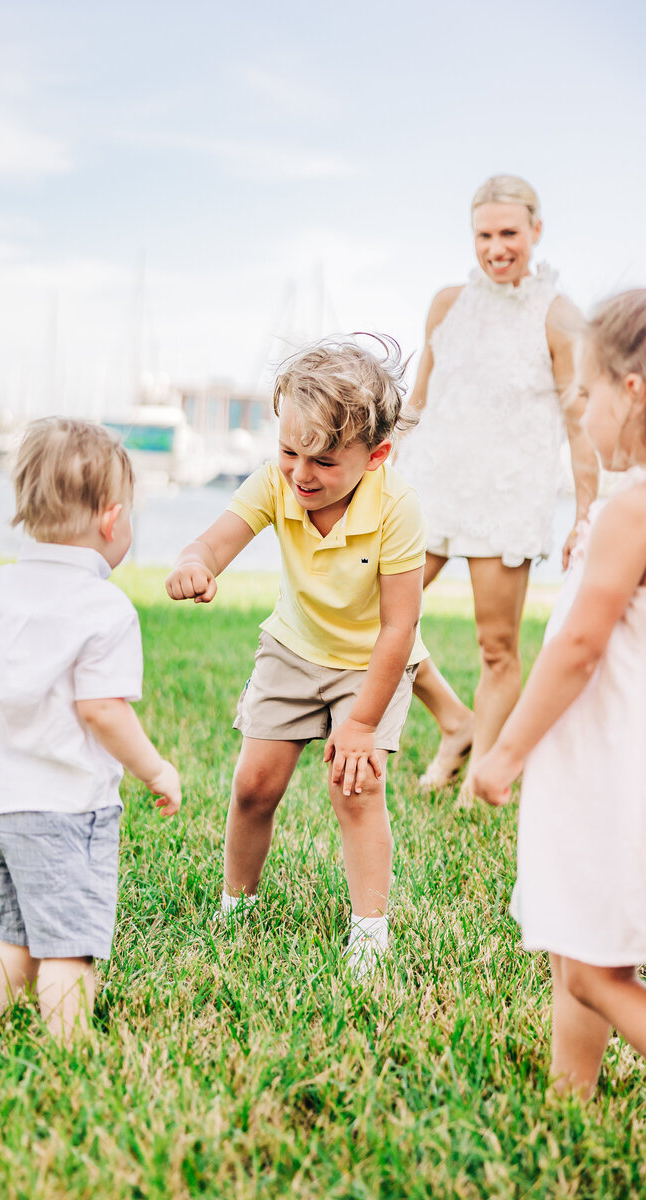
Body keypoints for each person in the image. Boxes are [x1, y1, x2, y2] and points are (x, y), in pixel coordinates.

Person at [165, 336, 426, 978]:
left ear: (376, 456)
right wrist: (193, 564)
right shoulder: (277, 485)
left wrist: (360, 725)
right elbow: (214, 542)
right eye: (289, 452)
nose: (302, 473)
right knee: (255, 785)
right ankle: (238, 906)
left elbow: (399, 627)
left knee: (354, 789)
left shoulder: (396, 508)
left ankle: (369, 932)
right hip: (293, 647)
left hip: (372, 662)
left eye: (325, 461)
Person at [0, 418, 181, 1042]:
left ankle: (4, 1029)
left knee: (12, 934)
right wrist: (155, 768)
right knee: (68, 944)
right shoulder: (104, 609)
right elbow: (103, 710)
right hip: (64, 810)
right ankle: (67, 1052)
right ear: (111, 519)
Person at [468, 290, 646, 1098]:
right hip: (610, 750)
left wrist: (505, 748)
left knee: (590, 972)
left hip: (607, 759)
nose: (576, 406)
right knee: (583, 940)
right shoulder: (623, 510)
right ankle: (568, 1092)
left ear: (631, 391)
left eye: (587, 390)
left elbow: (577, 647)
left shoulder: (632, 511)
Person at [396, 175, 599, 797]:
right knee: (374, 612)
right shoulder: (445, 304)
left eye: (509, 233)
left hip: (508, 497)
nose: (496, 248)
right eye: (484, 234)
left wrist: (585, 516)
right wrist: (374, 472)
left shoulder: (560, 318)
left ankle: (479, 778)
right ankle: (453, 721)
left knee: (497, 648)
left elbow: (580, 426)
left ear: (536, 231)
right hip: (430, 486)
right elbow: (416, 403)